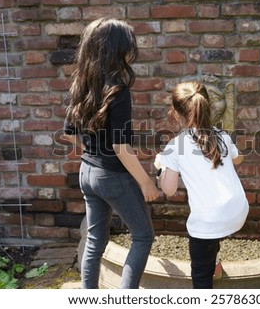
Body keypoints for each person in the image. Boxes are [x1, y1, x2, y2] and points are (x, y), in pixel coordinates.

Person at [62, 18, 158, 289]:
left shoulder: (81, 84)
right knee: (142, 236)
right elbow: (120, 147)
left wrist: (92, 154)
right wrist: (146, 182)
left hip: (87, 172)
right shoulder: (118, 91)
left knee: (95, 241)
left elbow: (69, 135)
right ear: (117, 49)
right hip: (113, 176)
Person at [154, 81, 249, 289]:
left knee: (200, 274)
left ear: (177, 114)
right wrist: (229, 155)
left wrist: (161, 167)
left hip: (209, 221)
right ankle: (214, 263)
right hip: (238, 211)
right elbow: (238, 159)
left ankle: (207, 274)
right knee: (212, 215)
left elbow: (169, 190)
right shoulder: (222, 137)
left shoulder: (175, 146)